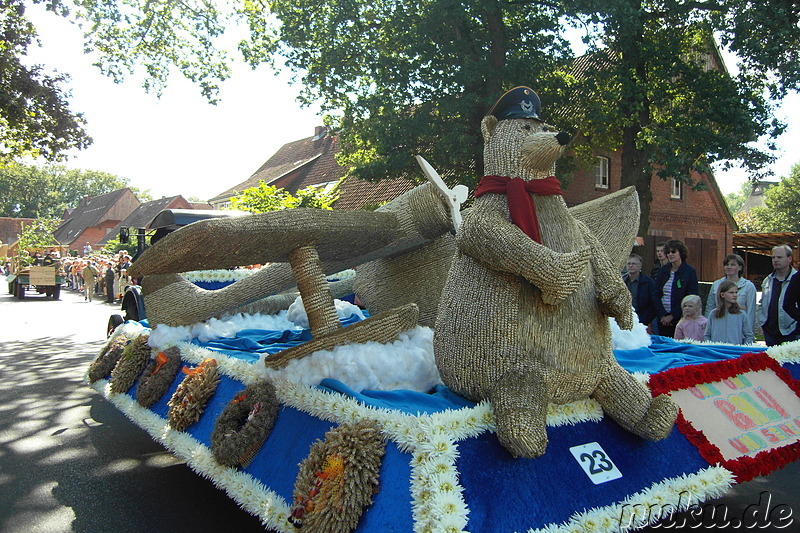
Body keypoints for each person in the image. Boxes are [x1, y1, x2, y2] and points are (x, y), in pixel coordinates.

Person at [654, 239, 699, 338]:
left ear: (681, 253)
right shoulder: (663, 271)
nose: (670, 254)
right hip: (662, 318)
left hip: (681, 318)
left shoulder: (689, 272)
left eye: (673, 252)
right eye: (668, 252)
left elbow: (691, 296)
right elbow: (656, 294)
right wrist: (663, 315)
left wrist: (673, 316)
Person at [705, 254, 757, 332]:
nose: (729, 267)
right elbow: (710, 307)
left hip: (738, 327)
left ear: (740, 267)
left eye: (732, 265)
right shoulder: (716, 284)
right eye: (727, 264)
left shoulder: (748, 286)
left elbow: (750, 312)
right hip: (718, 325)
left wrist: (748, 333)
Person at [758, 244, 798, 346]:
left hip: (791, 331)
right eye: (773, 257)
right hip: (770, 331)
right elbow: (762, 302)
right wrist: (763, 322)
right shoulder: (768, 280)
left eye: (779, 257)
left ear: (789, 258)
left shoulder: (797, 280)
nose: (775, 260)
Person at [705, 280, 754, 344]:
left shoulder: (741, 314)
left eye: (736, 292)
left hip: (734, 351)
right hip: (717, 350)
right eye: (731, 292)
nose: (735, 295)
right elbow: (707, 334)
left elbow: (749, 335)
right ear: (722, 294)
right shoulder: (713, 314)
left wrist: (743, 349)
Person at [622, 253, 657, 327]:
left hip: (641, 320)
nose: (631, 266)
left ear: (640, 266)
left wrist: (645, 319)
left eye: (634, 263)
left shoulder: (648, 282)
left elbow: (654, 302)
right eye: (629, 263)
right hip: (623, 319)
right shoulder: (621, 281)